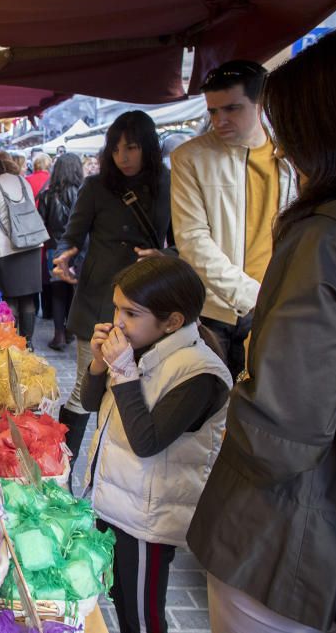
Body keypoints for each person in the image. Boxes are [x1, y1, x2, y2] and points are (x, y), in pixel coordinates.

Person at [187, 23, 336, 633]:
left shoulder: (331, 239)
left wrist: (233, 399)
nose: (287, 150)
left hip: (295, 546)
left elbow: (278, 433)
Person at [81, 255, 231, 633]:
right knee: (119, 597)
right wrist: (100, 363)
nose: (118, 322)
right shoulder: (146, 346)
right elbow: (88, 404)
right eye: (116, 308)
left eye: (131, 313)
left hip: (147, 520)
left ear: (173, 321)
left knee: (141, 618)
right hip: (117, 499)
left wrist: (124, 371)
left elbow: (147, 442)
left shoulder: (199, 373)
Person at [51, 111, 171, 478]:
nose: (123, 156)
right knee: (86, 387)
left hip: (152, 303)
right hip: (99, 298)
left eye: (132, 147)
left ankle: (122, 472)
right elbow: (73, 233)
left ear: (147, 148)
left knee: (141, 387)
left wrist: (165, 257)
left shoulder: (168, 183)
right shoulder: (95, 185)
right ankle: (63, 471)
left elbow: (183, 242)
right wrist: (66, 253)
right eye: (116, 148)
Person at [170, 59, 297, 380]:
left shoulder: (293, 152)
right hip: (217, 308)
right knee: (213, 408)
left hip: (282, 300)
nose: (219, 120)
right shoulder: (190, 157)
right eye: (213, 111)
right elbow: (192, 240)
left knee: (265, 399)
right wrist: (252, 296)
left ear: (261, 103)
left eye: (232, 109)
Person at [0, 153, 45, 345]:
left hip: (7, 249)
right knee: (28, 299)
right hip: (32, 245)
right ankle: (28, 343)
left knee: (10, 300)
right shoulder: (22, 180)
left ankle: (11, 343)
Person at [37, 152, 82, 350]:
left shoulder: (47, 194)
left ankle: (59, 335)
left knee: (57, 291)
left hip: (54, 248)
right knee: (74, 288)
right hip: (78, 248)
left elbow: (41, 222)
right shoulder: (83, 193)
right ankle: (71, 329)